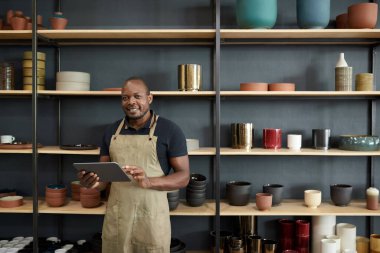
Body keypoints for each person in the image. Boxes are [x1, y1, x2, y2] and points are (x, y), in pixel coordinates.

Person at [78, 77, 190, 253]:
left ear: (149, 98)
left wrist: (149, 181)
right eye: (125, 97)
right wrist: (91, 182)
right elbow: (103, 182)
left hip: (151, 221)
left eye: (137, 96)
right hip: (118, 219)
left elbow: (184, 177)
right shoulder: (111, 132)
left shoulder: (170, 130)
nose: (131, 102)